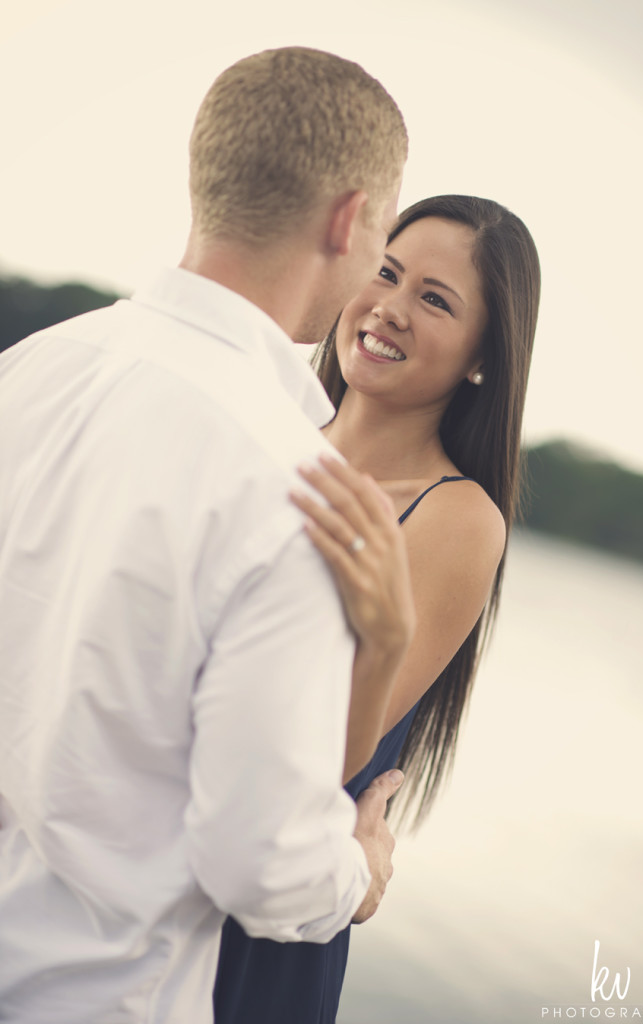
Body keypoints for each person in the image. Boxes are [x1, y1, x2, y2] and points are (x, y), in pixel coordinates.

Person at [0, 47, 411, 1023]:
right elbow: (260, 863)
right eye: (384, 231)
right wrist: (362, 867)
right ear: (350, 219)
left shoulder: (30, 370)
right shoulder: (299, 487)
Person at [213, 194, 542, 1023]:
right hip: (148, 871)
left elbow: (317, 753)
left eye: (435, 299)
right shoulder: (256, 429)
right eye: (387, 272)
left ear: (481, 358)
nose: (389, 308)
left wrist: (353, 880)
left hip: (271, 912)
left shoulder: (456, 518)